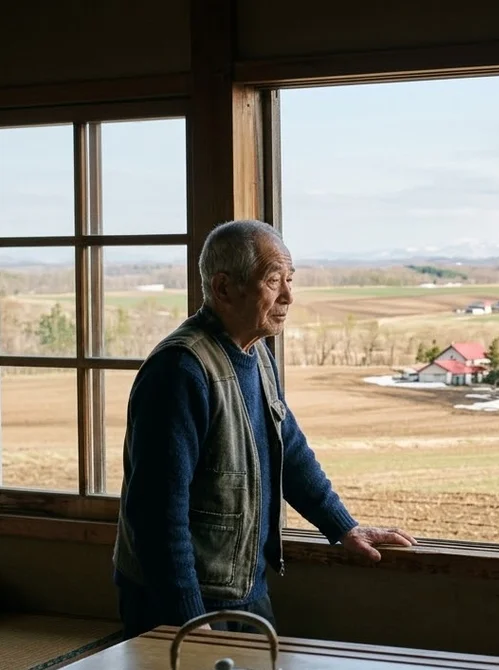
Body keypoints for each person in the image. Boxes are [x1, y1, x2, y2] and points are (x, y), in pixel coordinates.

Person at [112, 219, 417, 640]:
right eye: (274, 281)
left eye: (290, 279)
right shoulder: (181, 370)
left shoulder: (256, 354)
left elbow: (288, 449)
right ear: (223, 288)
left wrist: (343, 526)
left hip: (241, 588)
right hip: (181, 600)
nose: (288, 296)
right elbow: (157, 516)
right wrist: (189, 622)